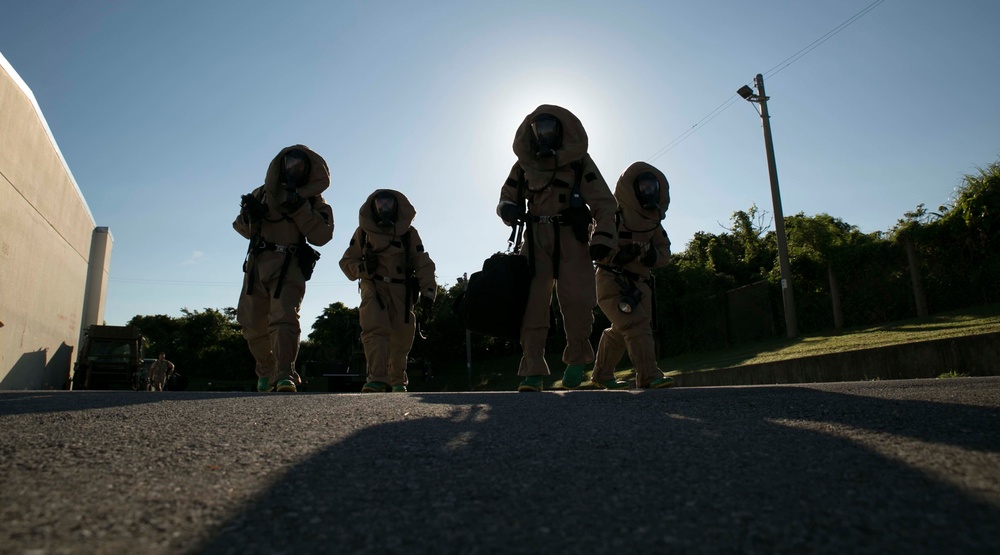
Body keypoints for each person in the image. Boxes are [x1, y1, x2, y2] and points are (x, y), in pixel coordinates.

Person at [496, 105, 618, 392]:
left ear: (562, 131)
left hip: (572, 238)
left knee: (577, 300)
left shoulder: (579, 163)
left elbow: (604, 202)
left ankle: (576, 360)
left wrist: (602, 237)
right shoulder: (524, 166)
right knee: (533, 306)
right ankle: (533, 370)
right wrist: (507, 209)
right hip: (536, 240)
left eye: (551, 129)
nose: (545, 135)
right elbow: (506, 196)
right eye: (540, 130)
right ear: (532, 134)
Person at [234, 145, 334, 393]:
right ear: (280, 166)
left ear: (308, 171)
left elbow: (322, 235)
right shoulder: (263, 193)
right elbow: (239, 227)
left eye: (299, 167)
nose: (293, 170)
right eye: (289, 165)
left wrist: (300, 207)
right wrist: (251, 217)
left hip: (288, 265)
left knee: (284, 318)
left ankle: (284, 373)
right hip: (257, 265)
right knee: (251, 322)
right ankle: (266, 371)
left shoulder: (314, 200)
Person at [339, 190, 437, 393]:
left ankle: (397, 379)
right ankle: (376, 378)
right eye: (380, 203)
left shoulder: (409, 233)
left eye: (388, 203)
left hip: (401, 289)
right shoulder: (363, 233)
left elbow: (423, 263)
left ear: (396, 206)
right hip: (373, 286)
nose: (384, 207)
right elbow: (348, 261)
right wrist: (364, 269)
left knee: (402, 336)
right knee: (374, 329)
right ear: (373, 208)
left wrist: (428, 293)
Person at [591, 162, 674, 389]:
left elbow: (665, 251)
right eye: (643, 186)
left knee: (621, 330)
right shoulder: (612, 216)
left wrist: (653, 258)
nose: (648, 191)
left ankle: (601, 374)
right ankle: (647, 374)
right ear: (632, 189)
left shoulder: (653, 222)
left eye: (652, 187)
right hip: (611, 279)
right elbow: (595, 245)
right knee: (635, 324)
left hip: (640, 285)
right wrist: (617, 256)